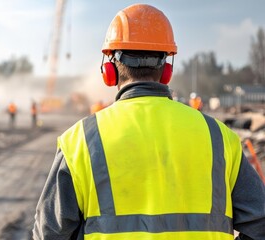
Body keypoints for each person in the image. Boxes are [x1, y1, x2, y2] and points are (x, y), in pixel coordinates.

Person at [33, 4, 265, 240]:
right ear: (167, 70)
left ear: (109, 69)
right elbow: (261, 223)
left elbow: (49, 234)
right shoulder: (220, 138)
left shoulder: (80, 142)